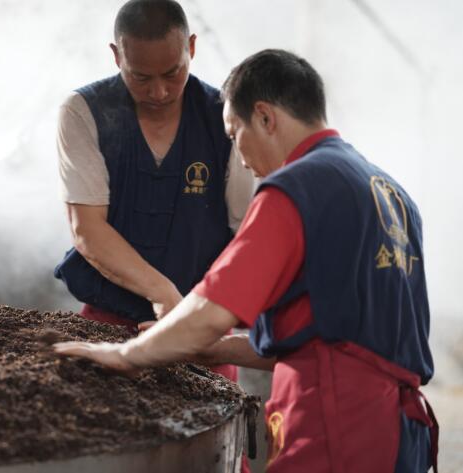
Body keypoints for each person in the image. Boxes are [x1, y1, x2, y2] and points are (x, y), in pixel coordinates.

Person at [55, 49, 438, 473]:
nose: (239, 158)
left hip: (334, 422)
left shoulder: (296, 188)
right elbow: (331, 333)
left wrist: (128, 354)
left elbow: (212, 309)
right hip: (400, 430)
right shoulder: (392, 194)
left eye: (235, 136)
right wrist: (217, 349)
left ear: (265, 118)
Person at [54, 0, 255, 382]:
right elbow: (87, 230)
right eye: (141, 77)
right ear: (116, 56)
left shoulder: (226, 117)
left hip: (200, 331)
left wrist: (194, 318)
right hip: (108, 324)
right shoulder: (83, 113)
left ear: (191, 48)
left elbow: (244, 234)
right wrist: (163, 294)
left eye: (172, 72)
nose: (160, 91)